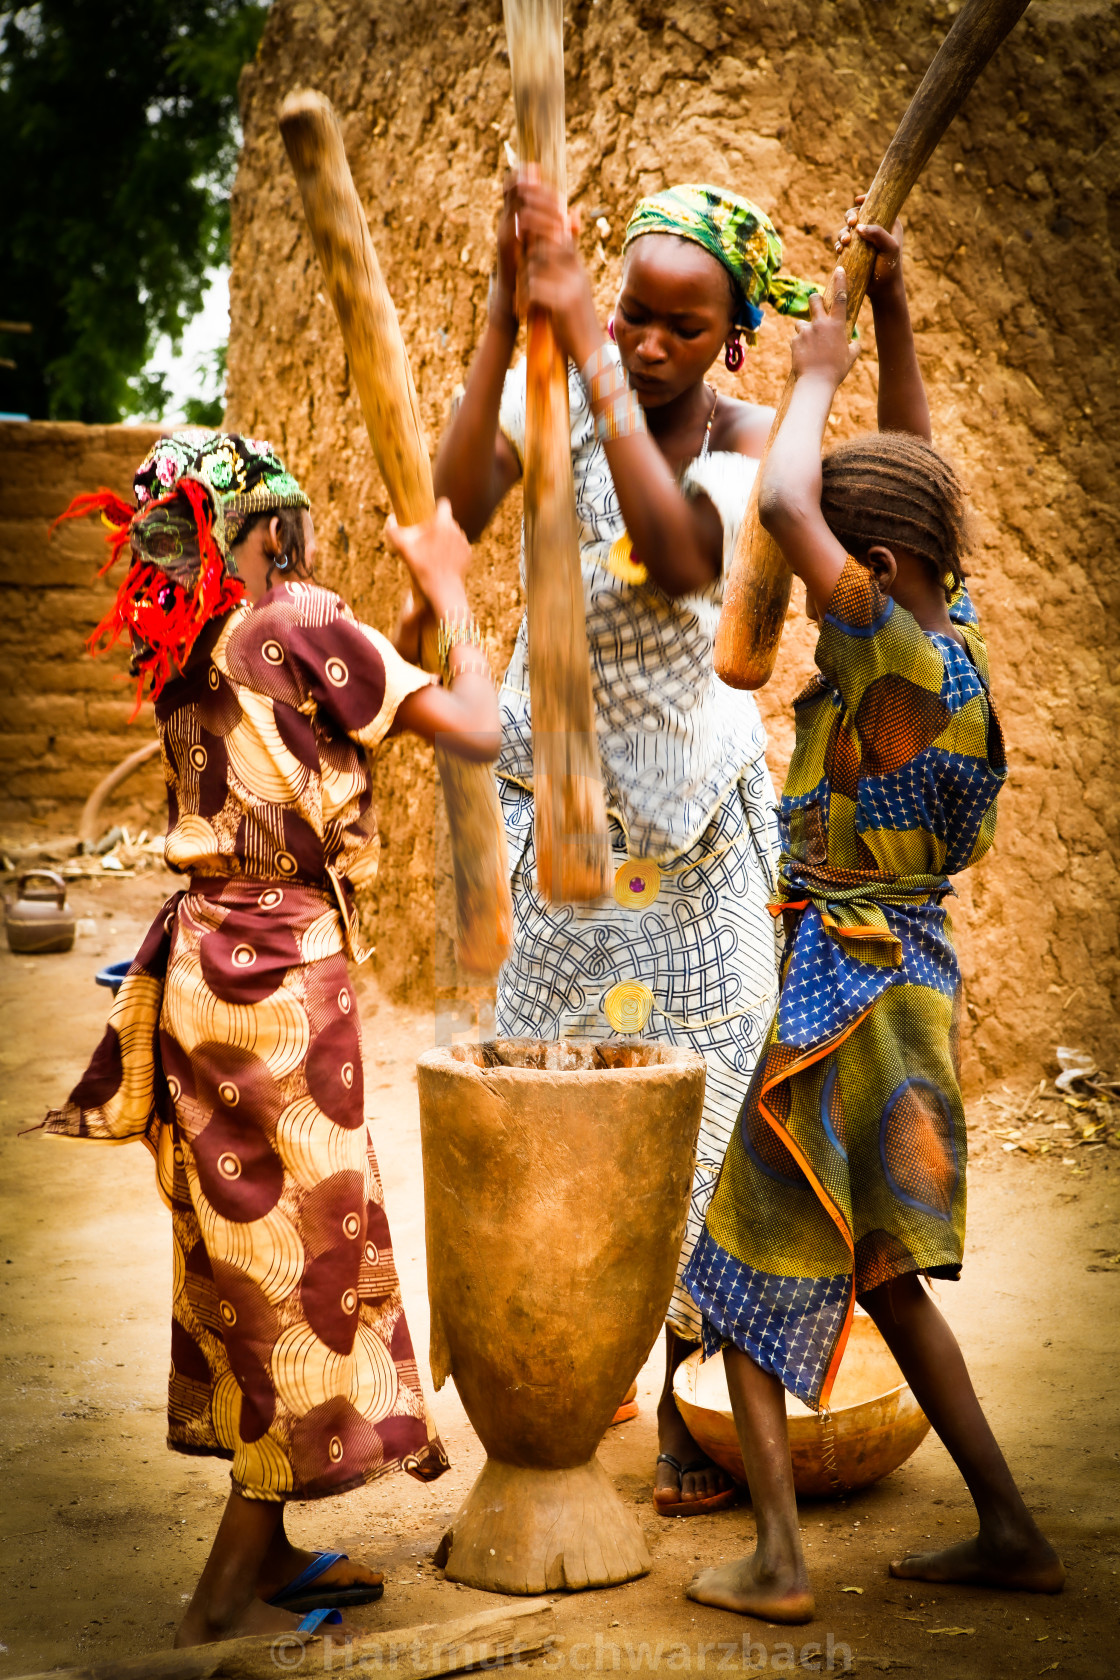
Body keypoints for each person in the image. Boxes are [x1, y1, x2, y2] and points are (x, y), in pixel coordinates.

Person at [38, 431, 500, 1646]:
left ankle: (278, 1544)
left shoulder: (188, 641)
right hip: (285, 981)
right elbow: (474, 723)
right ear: (264, 534)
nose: (295, 543)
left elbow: (329, 706)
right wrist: (451, 582)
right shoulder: (295, 613)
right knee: (307, 1275)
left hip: (202, 968)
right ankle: (224, 1587)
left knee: (247, 1256)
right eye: (280, 524)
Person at [683, 212, 1064, 1620]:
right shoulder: (946, 638)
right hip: (912, 984)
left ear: (878, 573)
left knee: (740, 1255)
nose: (823, 559)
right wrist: (896, 323)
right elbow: (919, 482)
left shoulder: (884, 634)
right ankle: (1011, 1527)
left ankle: (779, 1559)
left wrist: (816, 373)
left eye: (850, 552)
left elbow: (792, 497)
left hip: (835, 998)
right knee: (891, 1276)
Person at [434, 180, 817, 1515]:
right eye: (635, 317)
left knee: (689, 1137)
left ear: (733, 337)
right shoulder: (564, 407)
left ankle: (679, 1413)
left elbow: (676, 555)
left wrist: (586, 337)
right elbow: (451, 505)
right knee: (556, 1124)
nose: (649, 344)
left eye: (679, 326)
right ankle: (560, 1379)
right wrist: (505, 317)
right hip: (568, 845)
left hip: (697, 846)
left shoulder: (753, 441)